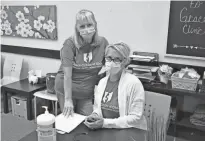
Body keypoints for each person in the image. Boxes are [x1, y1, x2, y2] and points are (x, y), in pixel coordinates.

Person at [54, 9, 109, 117]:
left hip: (87, 92)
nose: (86, 29)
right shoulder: (70, 44)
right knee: (69, 121)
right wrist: (68, 100)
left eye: (89, 25)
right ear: (77, 28)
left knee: (89, 121)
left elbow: (108, 68)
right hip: (67, 90)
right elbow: (67, 75)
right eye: (82, 26)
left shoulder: (103, 43)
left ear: (95, 25)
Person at [84, 42, 147, 130]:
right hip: (106, 130)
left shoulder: (134, 83)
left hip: (128, 131)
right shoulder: (102, 83)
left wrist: (105, 123)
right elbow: (98, 108)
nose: (112, 62)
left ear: (125, 61)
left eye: (117, 59)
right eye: (109, 58)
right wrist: (94, 116)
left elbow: (135, 118)